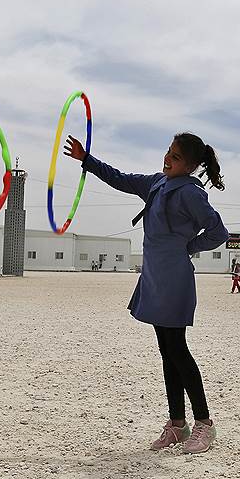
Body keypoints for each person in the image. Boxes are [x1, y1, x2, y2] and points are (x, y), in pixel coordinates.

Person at [64, 131, 228, 454]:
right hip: (153, 278)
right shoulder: (156, 183)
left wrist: (189, 246)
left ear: (192, 165)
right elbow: (120, 178)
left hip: (175, 280)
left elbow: (218, 232)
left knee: (178, 349)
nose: (168, 158)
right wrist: (86, 160)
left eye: (176, 157)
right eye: (168, 151)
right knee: (167, 352)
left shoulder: (192, 195)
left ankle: (204, 425)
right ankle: (177, 425)